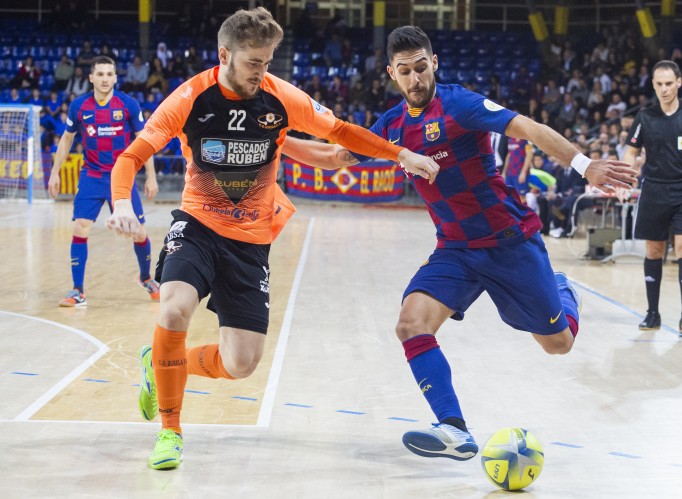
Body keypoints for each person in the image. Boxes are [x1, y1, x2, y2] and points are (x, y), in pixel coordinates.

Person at [280, 25, 638, 461]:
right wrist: (277, 142)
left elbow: (527, 128)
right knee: (410, 323)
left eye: (421, 67)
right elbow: (335, 156)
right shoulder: (391, 126)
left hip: (509, 241)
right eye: (405, 71)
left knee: (558, 344)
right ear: (393, 74)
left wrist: (585, 166)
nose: (415, 79)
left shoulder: (459, 104)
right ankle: (454, 429)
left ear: (434, 64)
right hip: (455, 248)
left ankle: (561, 288)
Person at [104, 8, 439, 471]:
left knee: (241, 363)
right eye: (253, 63)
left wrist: (401, 153)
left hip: (251, 241)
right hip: (197, 224)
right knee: (174, 305)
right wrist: (122, 203)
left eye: (268, 62)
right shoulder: (190, 97)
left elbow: (340, 132)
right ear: (225, 55)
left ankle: (156, 362)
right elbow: (133, 154)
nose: (262, 72)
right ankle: (170, 430)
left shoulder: (281, 97)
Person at [47, 56, 160, 307]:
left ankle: (146, 278)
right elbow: (66, 140)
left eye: (109, 74)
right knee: (80, 228)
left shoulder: (128, 105)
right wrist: (55, 173)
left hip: (122, 176)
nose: (105, 79)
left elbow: (144, 142)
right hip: (92, 176)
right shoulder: (79, 106)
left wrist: (150, 176)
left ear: (116, 78)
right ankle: (78, 291)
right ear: (91, 78)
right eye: (100, 74)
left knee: (138, 233)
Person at [622, 61, 682, 334]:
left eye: (669, 84)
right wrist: (625, 180)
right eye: (659, 84)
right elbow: (630, 152)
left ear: (679, 82)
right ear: (653, 84)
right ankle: (652, 313)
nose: (664, 89)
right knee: (654, 252)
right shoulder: (644, 117)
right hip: (654, 192)